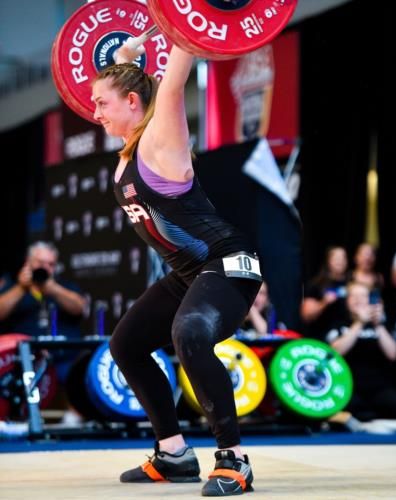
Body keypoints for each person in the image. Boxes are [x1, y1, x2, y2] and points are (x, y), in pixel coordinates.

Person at [91, 42, 263, 496]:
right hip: (189, 271)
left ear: (132, 103)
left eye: (101, 103)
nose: (95, 112)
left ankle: (235, 460)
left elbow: (176, 70)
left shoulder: (160, 137)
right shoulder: (130, 151)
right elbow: (134, 83)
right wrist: (127, 57)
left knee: (190, 333)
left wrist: (183, 20)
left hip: (227, 263)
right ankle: (174, 454)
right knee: (126, 343)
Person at [0, 241, 87, 423]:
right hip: (22, 358)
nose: (45, 268)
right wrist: (21, 287)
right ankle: (14, 419)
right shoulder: (12, 284)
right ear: (28, 262)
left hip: (63, 357)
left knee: (81, 371)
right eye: (40, 263)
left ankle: (74, 420)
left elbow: (79, 307)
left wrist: (52, 288)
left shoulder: (63, 285)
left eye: (50, 264)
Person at [325, 281, 396, 420]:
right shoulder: (339, 324)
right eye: (354, 296)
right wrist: (359, 323)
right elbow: (335, 353)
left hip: (380, 387)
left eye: (363, 296)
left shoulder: (382, 324)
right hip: (348, 388)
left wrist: (378, 325)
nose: (359, 300)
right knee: (351, 412)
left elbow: (393, 354)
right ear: (347, 301)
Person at [300, 245, 350, 339]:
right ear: (328, 261)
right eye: (336, 258)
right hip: (322, 336)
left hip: (347, 333)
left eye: (343, 257)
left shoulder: (352, 283)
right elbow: (306, 316)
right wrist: (323, 303)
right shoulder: (317, 285)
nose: (340, 261)